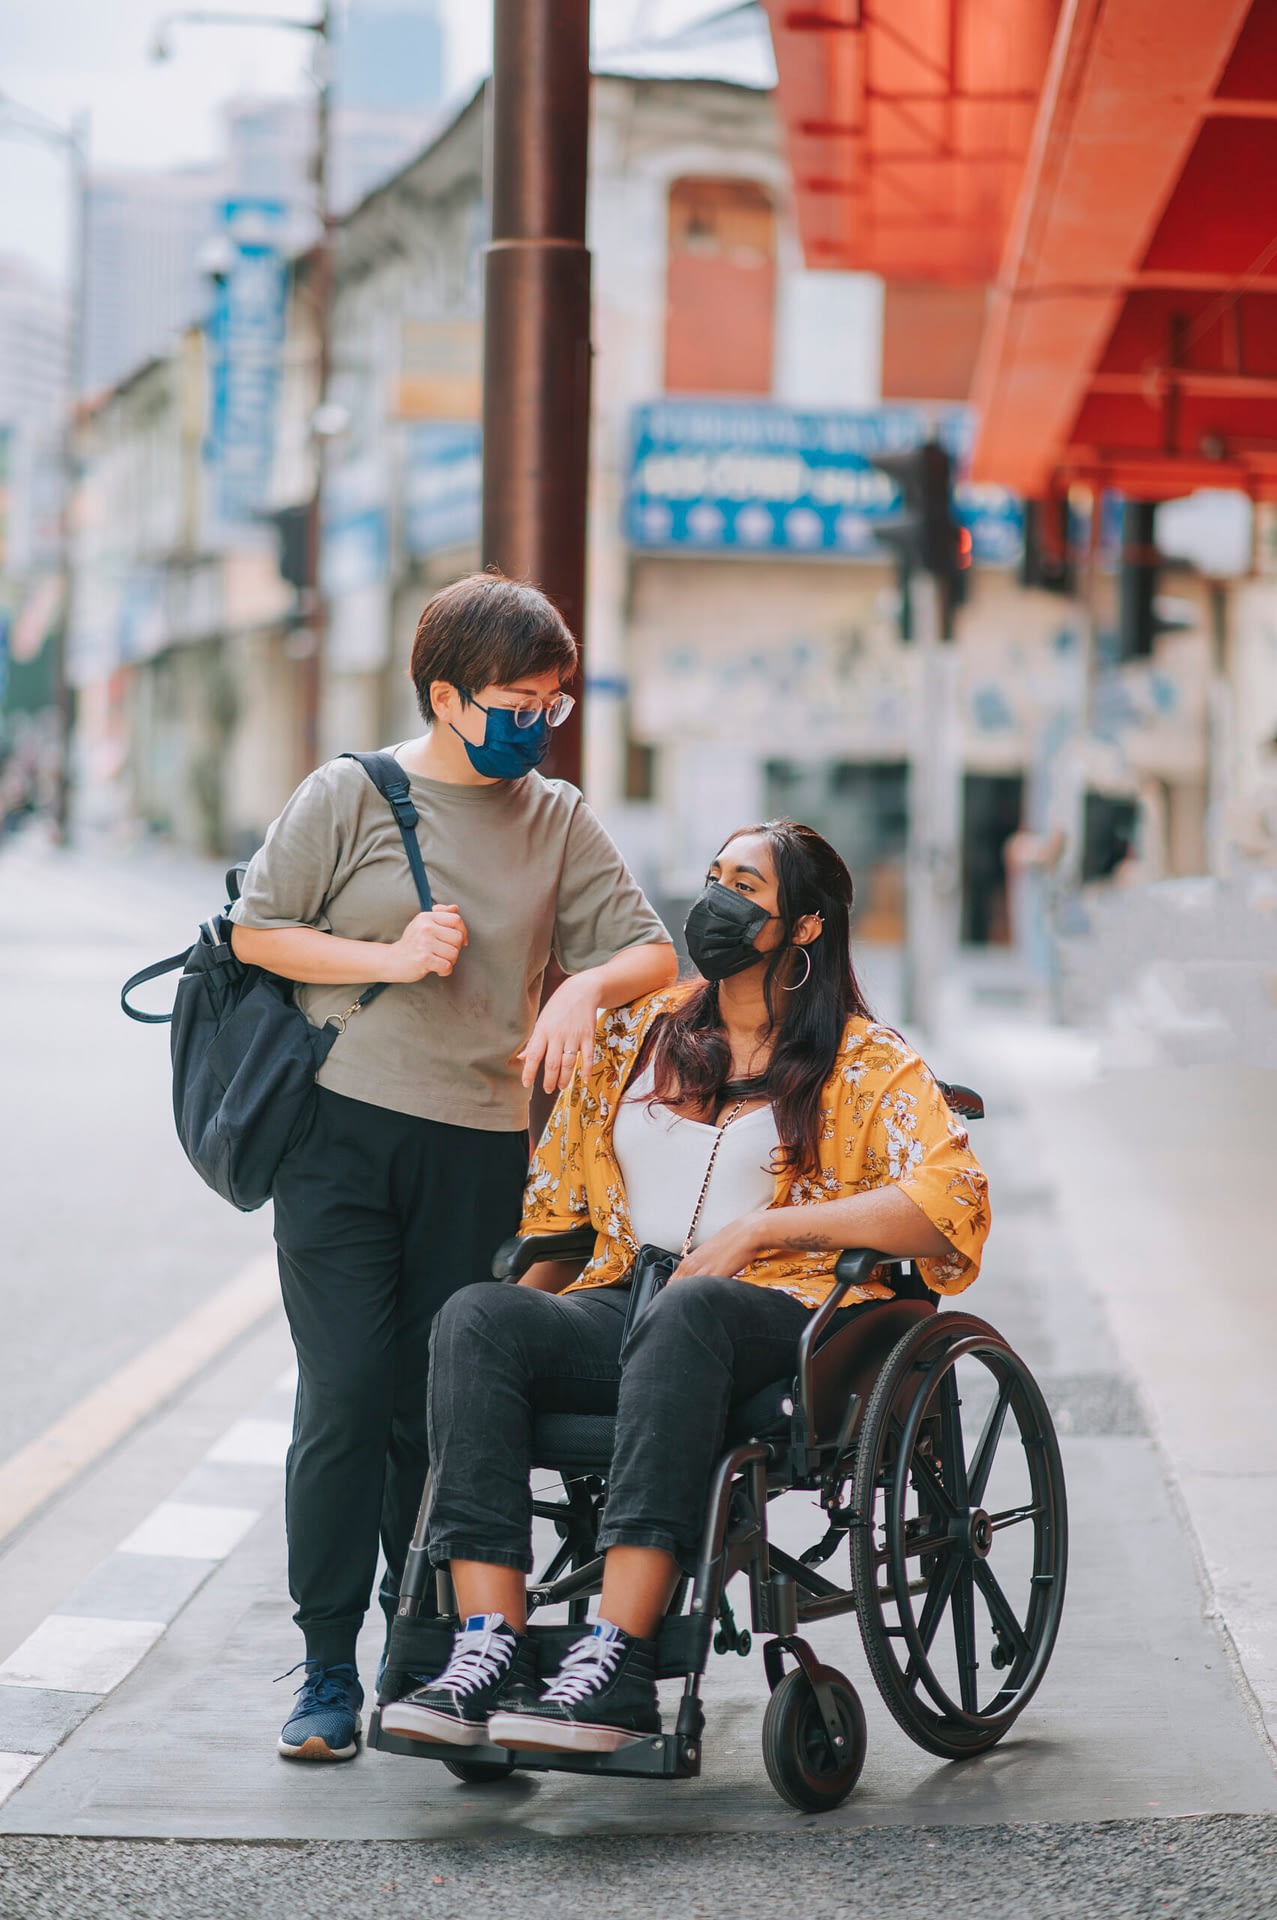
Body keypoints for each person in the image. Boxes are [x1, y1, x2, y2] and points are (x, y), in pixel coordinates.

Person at [381, 820, 990, 1757]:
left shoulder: (865, 1062)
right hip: (629, 1294)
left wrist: (761, 1230)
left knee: (690, 1310)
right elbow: (556, 1214)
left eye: (744, 886)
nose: (715, 902)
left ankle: (616, 1662)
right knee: (477, 1318)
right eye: (712, 878)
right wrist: (511, 1337)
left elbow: (946, 1200)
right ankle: (484, 1650)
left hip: (777, 1318)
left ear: (803, 928)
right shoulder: (639, 1036)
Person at [228, 572, 676, 1762]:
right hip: (337, 1138)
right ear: (446, 694)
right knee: (343, 1396)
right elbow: (254, 931)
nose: (540, 718)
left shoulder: (556, 817)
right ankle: (325, 1664)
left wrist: (579, 981)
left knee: (439, 1416)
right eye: (518, 698)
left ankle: (422, 1661)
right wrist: (386, 948)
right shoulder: (349, 793)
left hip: (482, 1148)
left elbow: (651, 952)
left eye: (554, 700)